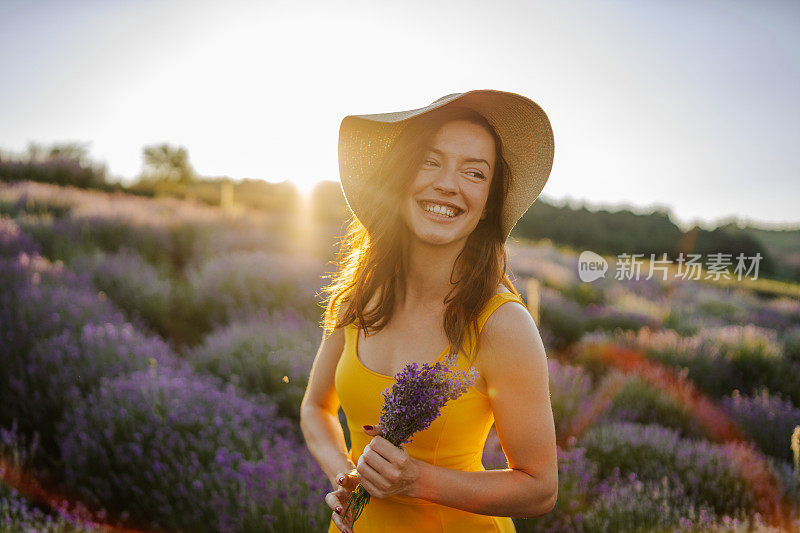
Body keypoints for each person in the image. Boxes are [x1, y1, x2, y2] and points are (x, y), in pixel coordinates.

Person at [300, 90, 558, 533]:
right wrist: (344, 476)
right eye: (430, 161)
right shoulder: (359, 296)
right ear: (399, 176)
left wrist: (417, 480)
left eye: (474, 173)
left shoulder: (501, 323)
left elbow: (539, 488)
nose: (448, 184)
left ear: (487, 205)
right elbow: (315, 409)